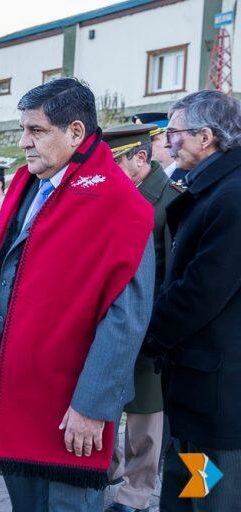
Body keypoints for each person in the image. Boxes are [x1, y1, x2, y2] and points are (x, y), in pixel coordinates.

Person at [0, 78, 155, 512]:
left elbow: (125, 317)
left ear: (76, 133)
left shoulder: (119, 205)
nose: (24, 143)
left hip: (72, 408)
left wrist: (92, 407)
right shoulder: (29, 188)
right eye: (23, 130)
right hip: (19, 398)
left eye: (37, 131)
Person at [140, 90, 241, 511]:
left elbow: (200, 291)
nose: (167, 141)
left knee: (210, 497)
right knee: (189, 492)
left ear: (205, 137)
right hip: (197, 390)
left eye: (173, 132)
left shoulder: (232, 195)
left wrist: (145, 337)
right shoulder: (214, 189)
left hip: (217, 396)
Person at [103, 123, 183, 512]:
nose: (108, 169)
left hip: (148, 323)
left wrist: (159, 328)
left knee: (145, 413)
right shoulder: (110, 195)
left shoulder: (168, 200)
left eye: (115, 161)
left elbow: (173, 270)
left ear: (140, 157)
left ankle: (137, 490)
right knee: (105, 401)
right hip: (110, 320)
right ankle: (109, 467)